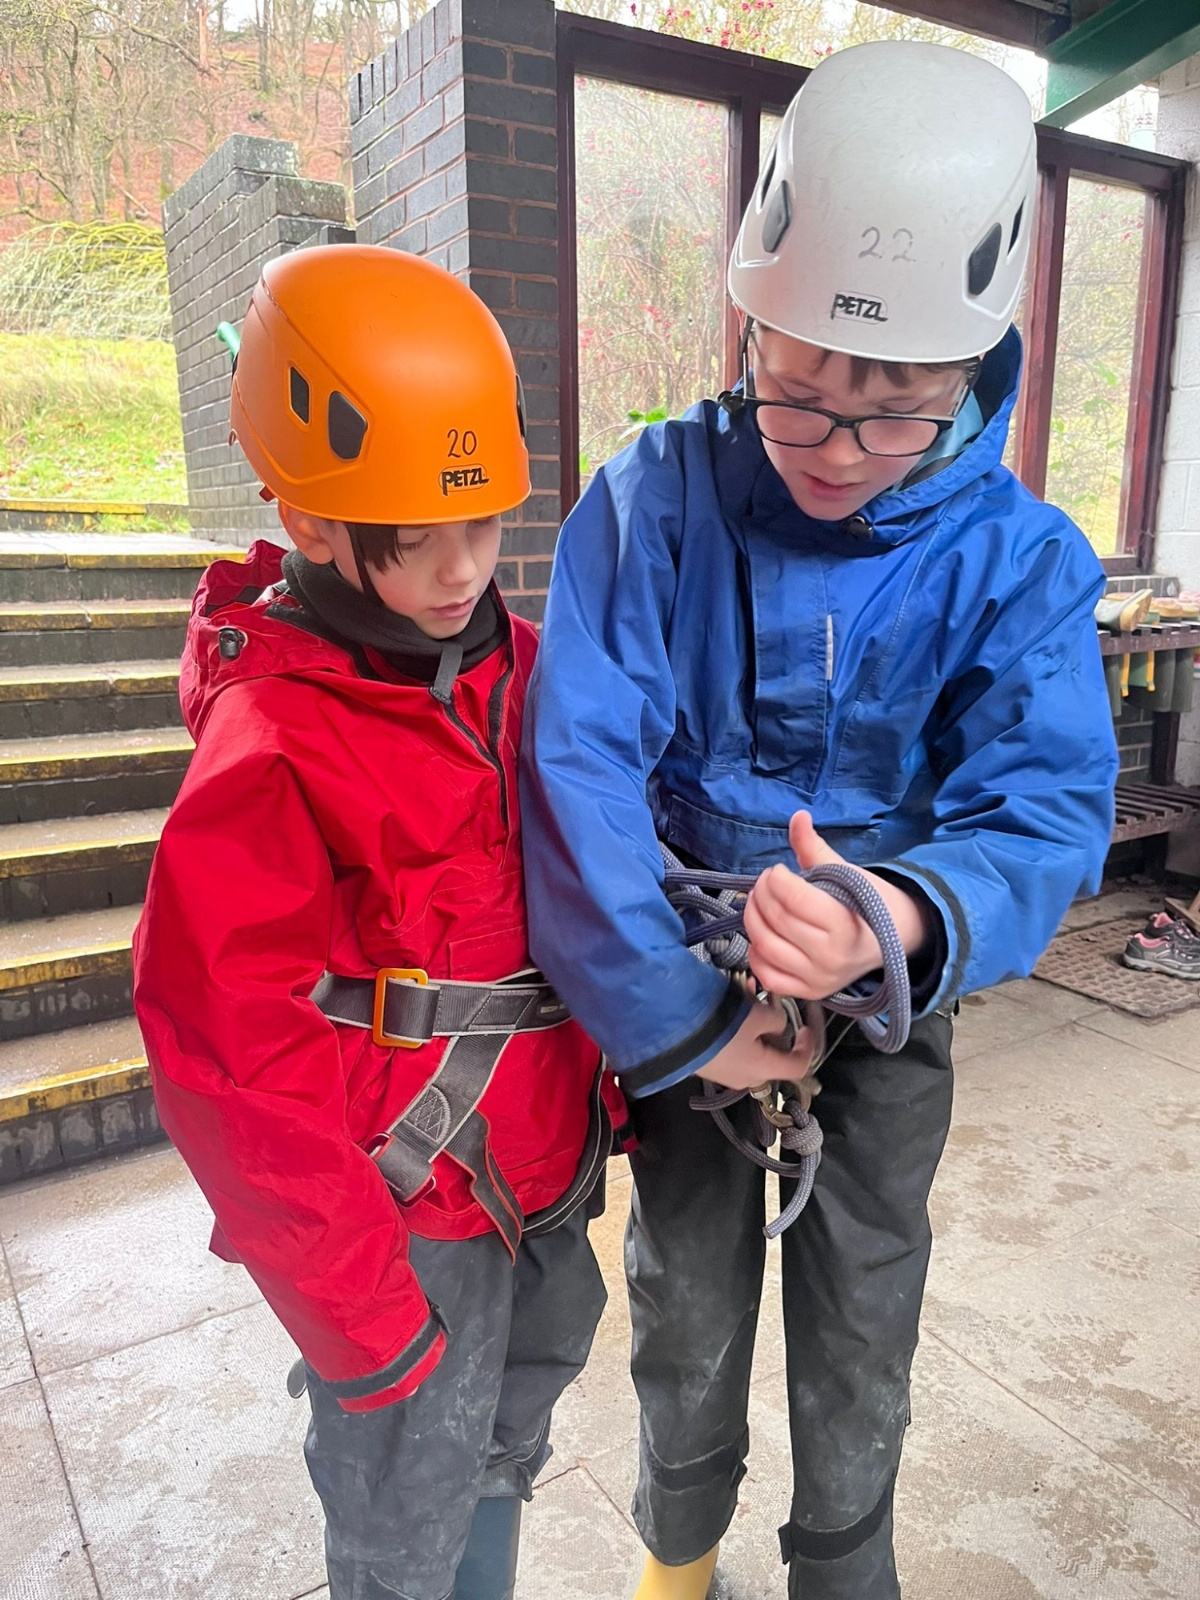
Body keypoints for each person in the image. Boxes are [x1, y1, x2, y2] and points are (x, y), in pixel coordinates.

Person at [519, 40, 1118, 1600]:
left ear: (974, 367)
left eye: (895, 411)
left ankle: (847, 1571)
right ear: (750, 325)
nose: (836, 453)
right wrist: (686, 1020)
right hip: (685, 965)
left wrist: (895, 911)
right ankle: (679, 1556)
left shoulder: (1021, 561)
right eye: (794, 395)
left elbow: (1045, 800)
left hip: (887, 992)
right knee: (685, 1299)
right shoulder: (652, 504)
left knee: (865, 1306)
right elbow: (577, 771)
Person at [133, 244, 621, 1600]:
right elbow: (229, 1057)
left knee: (504, 1449)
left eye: (485, 527)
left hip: (540, 1167)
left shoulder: (518, 671)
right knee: (404, 1507)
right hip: (401, 1215)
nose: (462, 570)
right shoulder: (276, 741)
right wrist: (357, 1306)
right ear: (309, 518)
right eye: (414, 538)